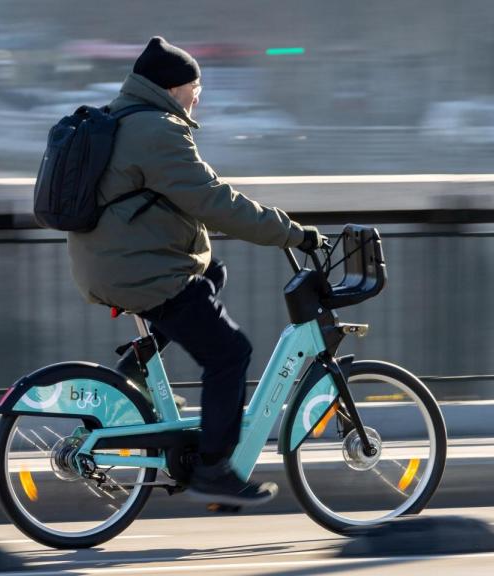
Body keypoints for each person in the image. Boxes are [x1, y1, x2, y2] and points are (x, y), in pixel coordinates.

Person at [66, 36, 324, 507]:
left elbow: (174, 199)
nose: (199, 95)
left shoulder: (120, 116)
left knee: (211, 274)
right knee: (230, 354)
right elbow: (214, 201)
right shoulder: (158, 129)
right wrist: (293, 234)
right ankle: (213, 468)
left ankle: (132, 381)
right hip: (138, 272)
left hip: (106, 263)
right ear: (174, 87)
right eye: (195, 86)